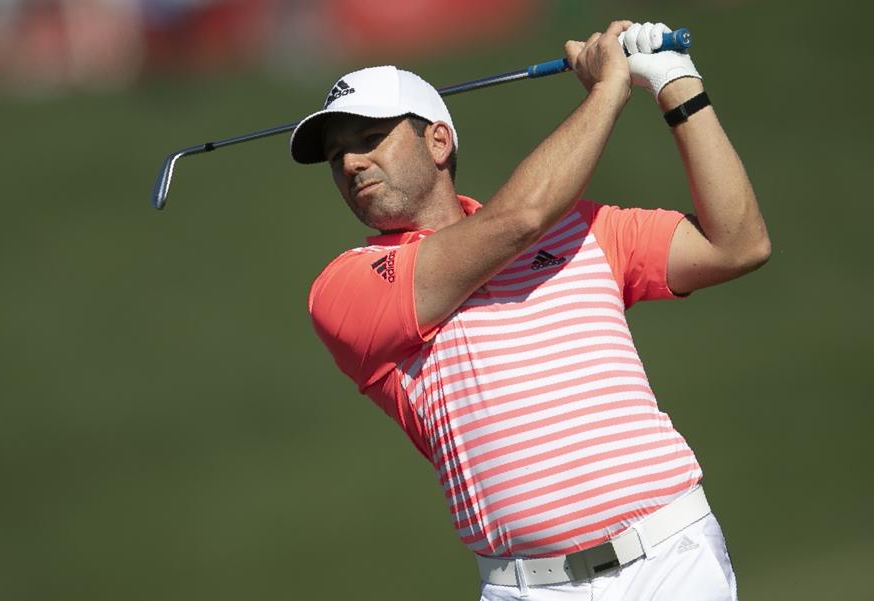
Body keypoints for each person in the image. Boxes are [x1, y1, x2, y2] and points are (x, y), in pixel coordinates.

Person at [290, 20, 770, 601]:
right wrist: (608, 91)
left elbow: (736, 244)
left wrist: (674, 81)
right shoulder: (345, 288)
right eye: (337, 155)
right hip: (529, 588)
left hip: (671, 562)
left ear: (438, 141)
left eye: (369, 138)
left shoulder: (584, 232)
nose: (350, 164)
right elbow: (517, 221)